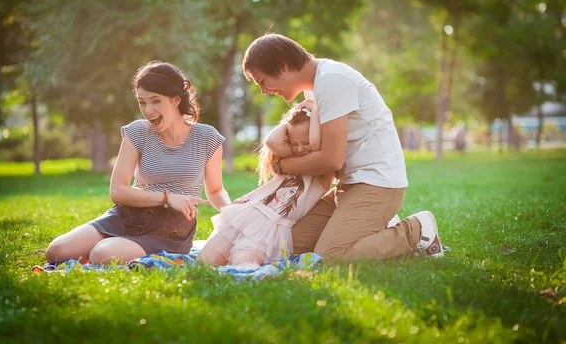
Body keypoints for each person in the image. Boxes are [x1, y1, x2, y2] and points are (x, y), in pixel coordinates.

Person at [241, 33, 444, 262]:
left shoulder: (332, 81)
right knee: (291, 247)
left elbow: (331, 160)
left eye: (262, 81)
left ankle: (416, 230)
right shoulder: (315, 88)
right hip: (347, 186)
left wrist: (281, 165)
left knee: (330, 257)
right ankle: (378, 226)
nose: (263, 90)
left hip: (377, 183)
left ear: (283, 65)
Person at [45, 61, 231, 265]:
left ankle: (113, 248)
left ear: (175, 100)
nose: (148, 110)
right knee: (56, 252)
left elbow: (215, 189)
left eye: (155, 101)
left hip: (171, 228)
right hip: (128, 215)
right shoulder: (138, 132)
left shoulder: (207, 137)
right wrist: (168, 197)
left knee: (102, 255)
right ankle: (119, 245)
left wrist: (233, 215)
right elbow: (117, 191)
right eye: (142, 102)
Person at [197, 102, 335, 266]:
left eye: (305, 143)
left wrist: (314, 111)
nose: (300, 149)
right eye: (294, 143)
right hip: (249, 213)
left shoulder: (322, 173)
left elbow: (316, 142)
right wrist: (289, 120)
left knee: (242, 266)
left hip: (271, 228)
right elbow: (272, 142)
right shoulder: (292, 158)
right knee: (203, 262)